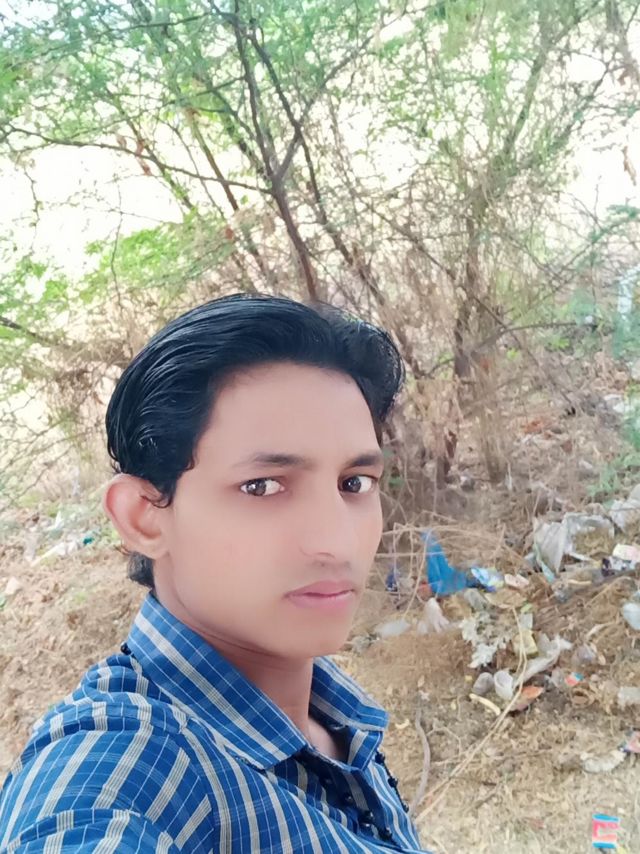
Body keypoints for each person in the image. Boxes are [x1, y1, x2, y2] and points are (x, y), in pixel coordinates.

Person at [0, 293, 428, 852]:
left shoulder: (328, 715)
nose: (337, 541)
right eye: (263, 487)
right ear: (143, 517)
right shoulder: (118, 776)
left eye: (355, 484)